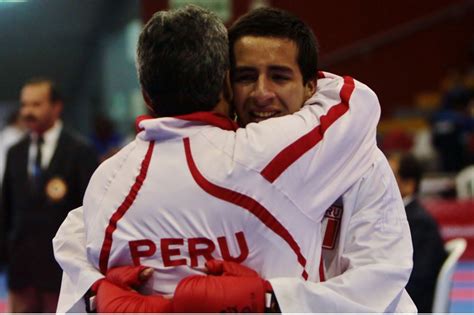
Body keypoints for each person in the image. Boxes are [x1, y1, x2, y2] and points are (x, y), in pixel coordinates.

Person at [53, 6, 414, 313]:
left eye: (279, 76)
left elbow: (383, 276)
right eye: (245, 76)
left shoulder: (357, 160)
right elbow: (78, 228)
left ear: (311, 87)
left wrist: (274, 301)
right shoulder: (232, 160)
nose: (261, 93)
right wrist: (95, 291)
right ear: (225, 84)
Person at [0, 78, 98, 312]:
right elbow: (5, 211)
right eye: (24, 105)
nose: (28, 111)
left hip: (63, 274)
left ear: (56, 107)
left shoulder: (79, 151)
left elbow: (92, 213)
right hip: (21, 273)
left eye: (36, 104)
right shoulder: (16, 152)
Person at [389, 152, 447, 312]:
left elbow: (418, 278)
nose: (382, 180)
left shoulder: (418, 222)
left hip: (410, 305)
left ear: (409, 184)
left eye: (390, 175)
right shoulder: (401, 216)